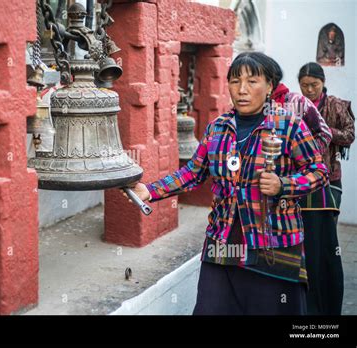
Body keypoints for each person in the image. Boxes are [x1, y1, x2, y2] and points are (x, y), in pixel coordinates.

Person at [124, 52, 328, 315]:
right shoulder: (218, 128)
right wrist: (149, 190)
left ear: (269, 86)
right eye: (234, 81)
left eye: (252, 81)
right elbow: (193, 173)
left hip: (272, 244)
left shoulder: (289, 125)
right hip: (223, 242)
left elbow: (317, 171)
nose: (242, 90)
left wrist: (283, 185)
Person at [297, 62, 355, 315]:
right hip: (303, 179)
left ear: (322, 83)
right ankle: (308, 292)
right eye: (304, 85)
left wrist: (325, 131)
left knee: (326, 234)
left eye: (314, 85)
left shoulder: (335, 105)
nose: (309, 90)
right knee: (307, 235)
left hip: (330, 178)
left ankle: (325, 291)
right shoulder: (295, 106)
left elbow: (350, 134)